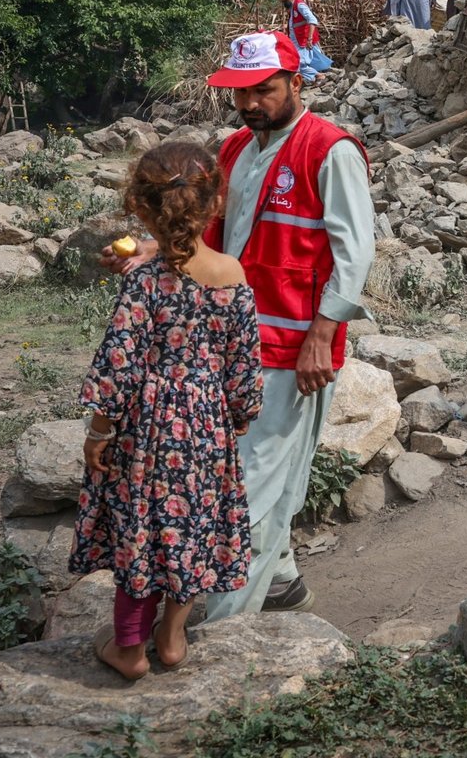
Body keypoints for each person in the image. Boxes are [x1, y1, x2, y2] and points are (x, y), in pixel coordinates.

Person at [102, 31, 374, 615]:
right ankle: (279, 581)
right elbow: (206, 228)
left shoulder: (331, 151)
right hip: (233, 343)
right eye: (241, 93)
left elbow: (355, 256)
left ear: (296, 83)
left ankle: (227, 627)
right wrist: (154, 248)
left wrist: (321, 338)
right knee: (257, 470)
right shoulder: (234, 151)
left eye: (264, 91)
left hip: (290, 343)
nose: (250, 104)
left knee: (245, 484)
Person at [72, 142, 262, 680]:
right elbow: (244, 357)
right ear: (215, 203)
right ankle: (173, 637)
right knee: (193, 525)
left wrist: (99, 430)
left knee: (142, 531)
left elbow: (119, 361)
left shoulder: (144, 280)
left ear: (139, 205)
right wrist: (241, 410)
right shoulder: (231, 272)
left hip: (144, 427)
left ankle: (129, 649)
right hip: (205, 425)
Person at [276, 0, 333, 81]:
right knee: (310, 61)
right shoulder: (293, 6)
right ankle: (318, 77)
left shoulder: (299, 5)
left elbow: (312, 20)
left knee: (298, 64)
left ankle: (318, 75)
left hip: (303, 40)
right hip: (297, 40)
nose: (281, 1)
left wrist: (309, 38)